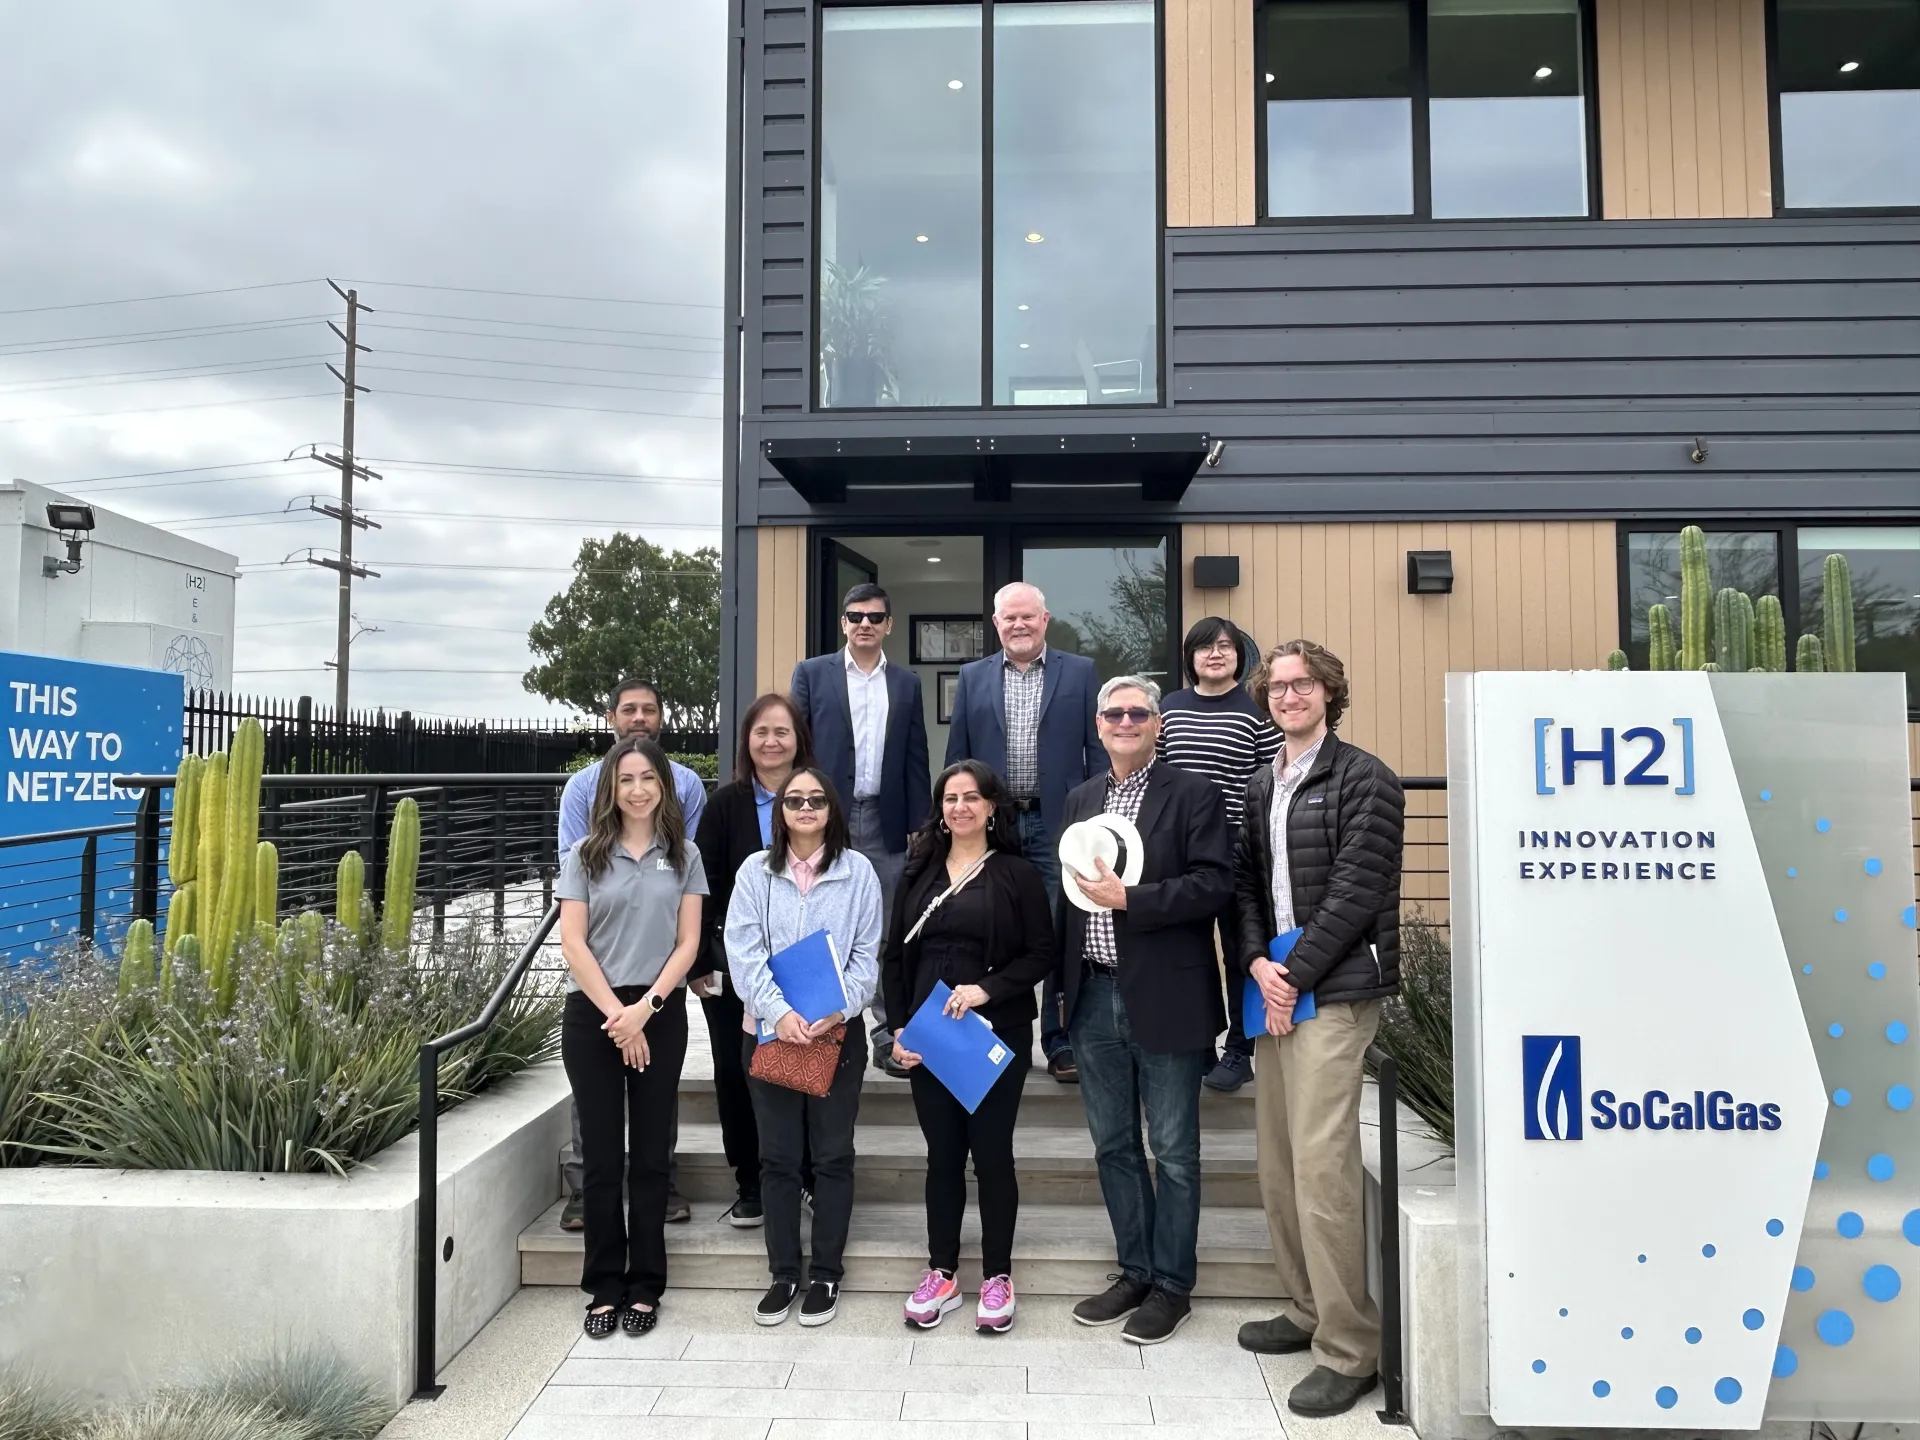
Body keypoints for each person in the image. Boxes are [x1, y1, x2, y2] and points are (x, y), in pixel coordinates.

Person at [1232, 639, 1404, 1419]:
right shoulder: (1261, 781)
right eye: (1277, 686)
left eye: (1303, 685)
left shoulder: (1365, 778)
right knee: (1278, 1163)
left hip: (1333, 994)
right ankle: (1305, 1308)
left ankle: (1350, 1346)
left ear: (1331, 693)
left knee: (1323, 1167)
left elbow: (1357, 890)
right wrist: (1256, 967)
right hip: (1274, 991)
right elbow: (1243, 888)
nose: (1289, 696)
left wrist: (1294, 977)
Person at [1056, 676, 1233, 1346]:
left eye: (1138, 712)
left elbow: (1214, 886)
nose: (1125, 720)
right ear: (1099, 725)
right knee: (1114, 1146)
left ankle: (1172, 1286)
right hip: (1095, 996)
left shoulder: (1193, 795)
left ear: (1159, 724)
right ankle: (1134, 1270)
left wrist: (1132, 900)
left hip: (1168, 994)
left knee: (1176, 1152)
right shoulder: (1080, 799)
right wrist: (1062, 997)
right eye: (1114, 712)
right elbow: (1066, 904)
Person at [882, 760, 1055, 1334]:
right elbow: (896, 955)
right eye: (950, 798)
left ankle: (999, 1275)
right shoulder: (919, 868)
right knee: (942, 1156)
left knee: (992, 1154)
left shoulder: (1016, 873)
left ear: (991, 807)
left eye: (971, 797)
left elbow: (1040, 953)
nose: (959, 807)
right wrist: (900, 1027)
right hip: (930, 1034)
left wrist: (989, 988)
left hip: (992, 1032)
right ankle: (944, 1272)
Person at [555, 735, 709, 1338]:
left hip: (659, 1011)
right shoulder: (585, 856)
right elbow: (573, 944)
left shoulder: (685, 855)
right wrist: (619, 1019)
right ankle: (603, 1286)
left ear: (663, 786)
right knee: (598, 1159)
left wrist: (644, 1010)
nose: (638, 789)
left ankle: (645, 1285)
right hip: (594, 1014)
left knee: (649, 1157)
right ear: (610, 790)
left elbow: (689, 943)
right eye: (626, 780)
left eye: (649, 778)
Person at [725, 767, 883, 1329]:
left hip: (835, 1035)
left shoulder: (858, 872)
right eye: (795, 800)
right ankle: (784, 1273)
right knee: (779, 1158)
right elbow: (743, 952)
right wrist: (781, 1012)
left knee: (833, 1155)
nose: (807, 808)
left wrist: (838, 1009)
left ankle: (826, 1275)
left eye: (817, 799)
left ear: (832, 809)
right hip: (769, 1035)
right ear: (781, 811)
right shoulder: (754, 873)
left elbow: (867, 954)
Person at [944, 581, 1103, 1083]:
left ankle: (1058, 1042)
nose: (1018, 625)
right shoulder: (972, 677)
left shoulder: (1079, 673)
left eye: (1027, 617)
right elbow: (959, 760)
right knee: (991, 927)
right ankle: (993, 1032)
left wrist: (1096, 816)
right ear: (996, 624)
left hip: (1062, 824)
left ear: (1044, 619)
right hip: (997, 826)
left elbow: (1096, 754)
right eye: (1009, 618)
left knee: (1056, 931)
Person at [790, 582, 931, 1079]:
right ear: (843, 624)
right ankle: (820, 1027)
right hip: (827, 818)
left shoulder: (907, 684)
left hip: (888, 820)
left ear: (889, 624)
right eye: (855, 616)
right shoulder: (811, 674)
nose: (865, 624)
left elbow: (917, 757)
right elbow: (798, 754)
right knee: (822, 925)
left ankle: (886, 1032)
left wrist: (920, 823)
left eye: (875, 616)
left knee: (889, 930)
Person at [691, 693, 821, 1229]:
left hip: (803, 966)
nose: (772, 741)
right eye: (761, 731)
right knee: (735, 1070)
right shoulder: (724, 806)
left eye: (782, 732)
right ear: (747, 741)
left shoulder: (817, 799)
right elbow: (700, 888)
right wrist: (699, 958)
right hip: (733, 965)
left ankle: (807, 1176)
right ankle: (751, 1181)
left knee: (801, 1069)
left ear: (799, 741)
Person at [1155, 616, 1282, 1094]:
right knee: (1186, 951)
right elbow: (1157, 775)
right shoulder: (1171, 707)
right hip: (1178, 848)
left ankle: (1240, 1048)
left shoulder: (1255, 711)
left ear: (1238, 655)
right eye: (1206, 646)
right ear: (1190, 656)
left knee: (1239, 951)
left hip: (1235, 847)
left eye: (1225, 646)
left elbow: (1271, 779)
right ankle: (1198, 1042)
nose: (1215, 654)